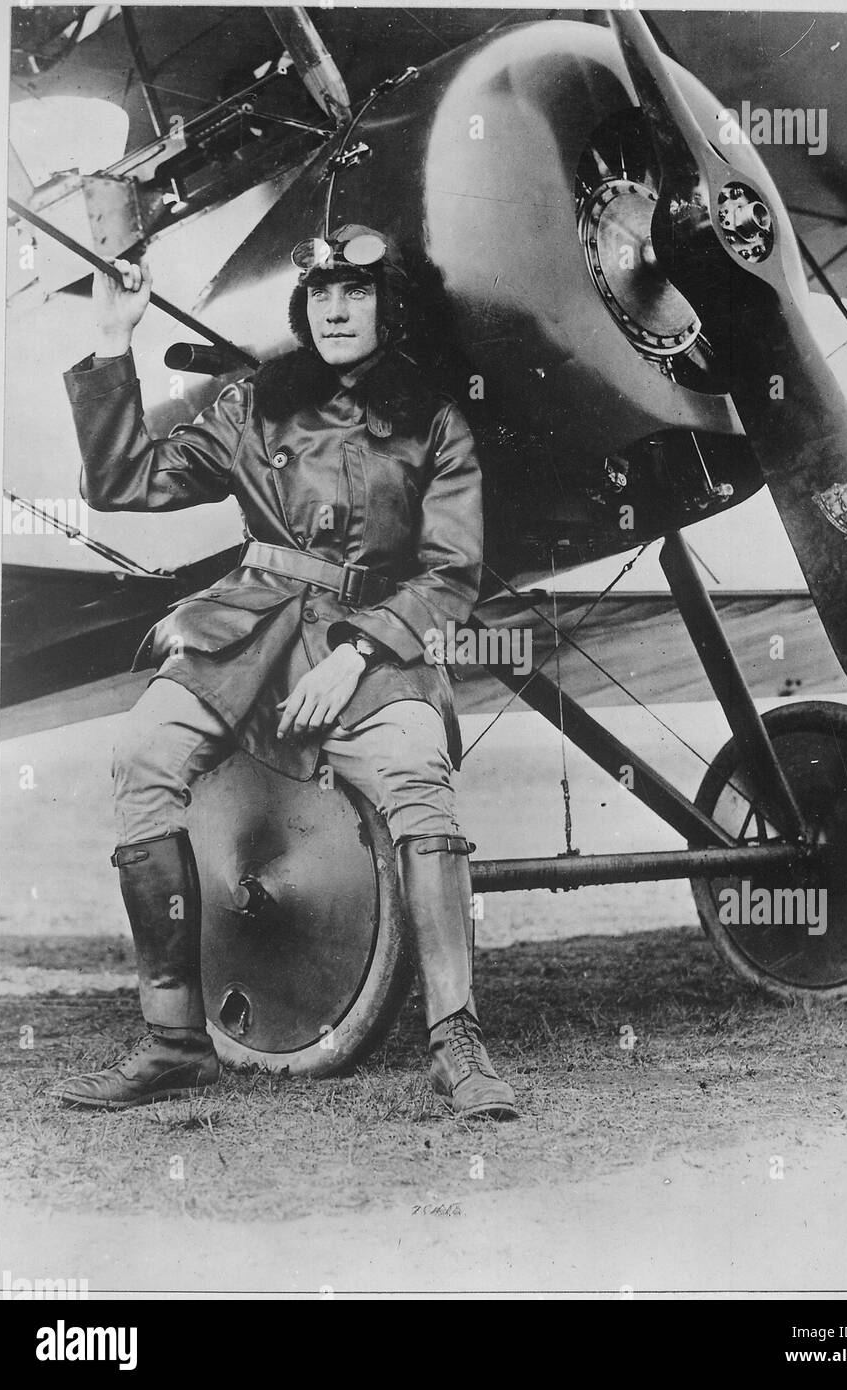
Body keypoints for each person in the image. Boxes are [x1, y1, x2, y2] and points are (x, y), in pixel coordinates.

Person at [56, 224, 518, 1121]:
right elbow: (124, 481)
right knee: (143, 754)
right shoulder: (251, 406)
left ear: (390, 305)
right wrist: (114, 340)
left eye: (357, 290)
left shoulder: (434, 422)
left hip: (374, 648)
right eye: (320, 294)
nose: (337, 308)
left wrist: (356, 655)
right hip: (248, 630)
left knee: (421, 775)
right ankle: (173, 1040)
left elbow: (451, 573)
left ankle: (456, 1040)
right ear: (303, 310)